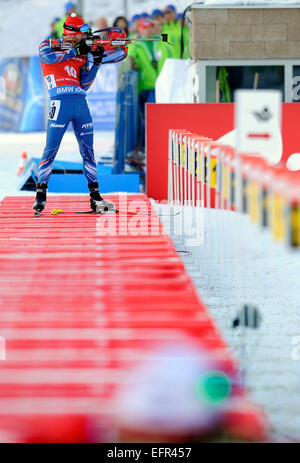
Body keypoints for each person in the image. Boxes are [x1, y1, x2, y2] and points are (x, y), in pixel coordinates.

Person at [34, 13, 116, 214]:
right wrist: (75, 50)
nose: (83, 37)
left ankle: (95, 197)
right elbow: (49, 58)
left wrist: (95, 63)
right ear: (70, 33)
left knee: (89, 152)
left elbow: (84, 84)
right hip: (59, 103)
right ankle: (40, 195)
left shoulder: (81, 53)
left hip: (80, 104)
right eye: (80, 34)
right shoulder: (48, 44)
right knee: (50, 150)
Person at [127, 18, 157, 152]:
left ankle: (147, 145)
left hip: (154, 86)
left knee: (150, 117)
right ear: (141, 30)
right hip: (141, 86)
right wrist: (131, 62)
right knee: (140, 118)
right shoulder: (136, 42)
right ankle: (141, 146)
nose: (148, 30)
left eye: (150, 27)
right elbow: (130, 56)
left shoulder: (159, 42)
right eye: (145, 28)